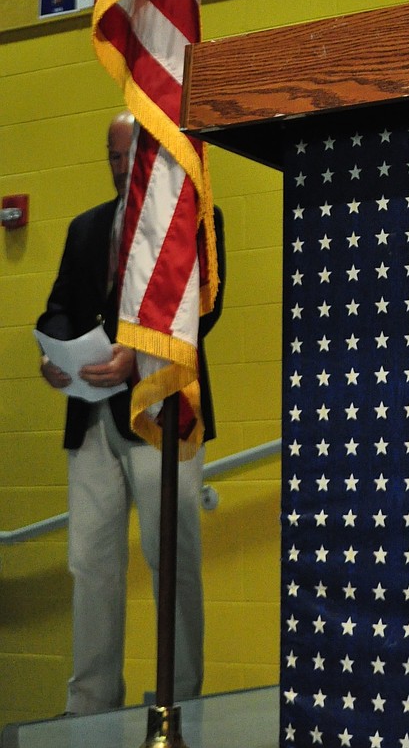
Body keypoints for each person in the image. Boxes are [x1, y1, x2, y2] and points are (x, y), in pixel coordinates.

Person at [36, 110, 225, 716]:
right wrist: (57, 354)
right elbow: (60, 306)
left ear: (155, 154)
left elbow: (203, 313)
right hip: (89, 416)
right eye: (113, 156)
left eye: (131, 155)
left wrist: (137, 358)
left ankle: (183, 697)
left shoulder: (195, 223)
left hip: (160, 413)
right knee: (90, 563)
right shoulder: (85, 227)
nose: (122, 166)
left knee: (172, 559)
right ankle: (90, 704)